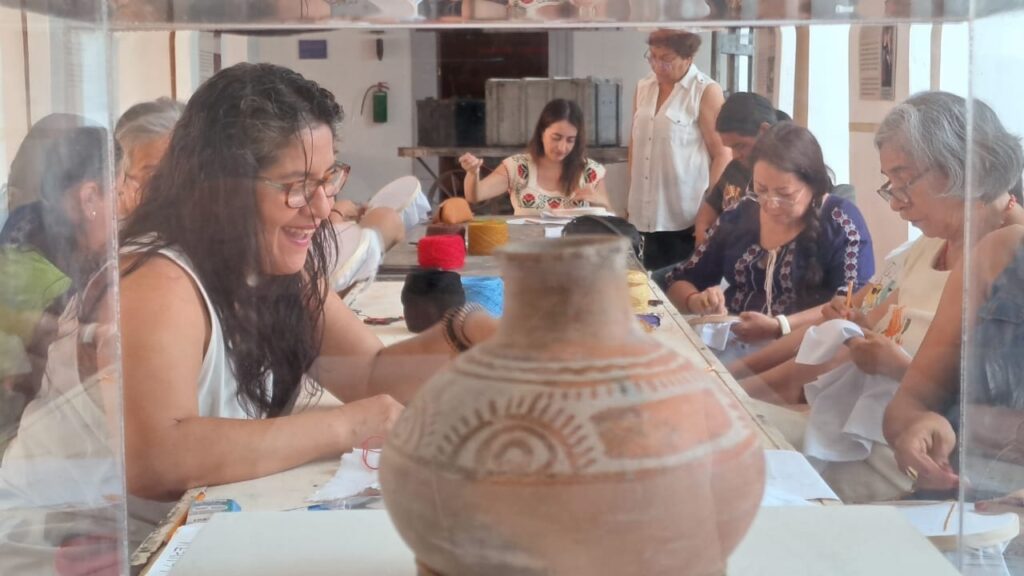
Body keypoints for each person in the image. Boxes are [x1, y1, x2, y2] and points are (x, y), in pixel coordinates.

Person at [118, 63, 496, 504]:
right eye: (296, 185)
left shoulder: (280, 267)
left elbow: (368, 373)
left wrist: (470, 330)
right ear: (221, 187)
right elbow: (155, 461)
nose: (320, 208)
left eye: (327, 180)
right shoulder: (159, 280)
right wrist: (348, 426)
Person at [732, 92, 1024, 406]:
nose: (896, 203)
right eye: (890, 186)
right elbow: (868, 311)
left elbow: (996, 408)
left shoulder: (1010, 261)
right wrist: (859, 323)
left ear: (962, 168)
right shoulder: (930, 244)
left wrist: (901, 370)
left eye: (905, 182)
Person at [0, 123, 121, 575]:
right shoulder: (51, 273)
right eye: (123, 187)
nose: (129, 204)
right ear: (88, 197)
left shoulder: (23, 235)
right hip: (23, 469)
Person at [665, 122, 874, 345]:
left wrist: (780, 326)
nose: (770, 205)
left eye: (785, 194)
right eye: (761, 190)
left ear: (814, 184)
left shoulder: (842, 221)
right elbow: (679, 282)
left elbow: (851, 303)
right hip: (734, 343)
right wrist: (697, 301)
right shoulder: (740, 213)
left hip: (804, 352)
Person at [627, 29, 731, 271]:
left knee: (674, 290)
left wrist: (709, 209)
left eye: (666, 59)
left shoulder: (705, 90)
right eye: (652, 56)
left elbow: (723, 154)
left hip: (683, 216)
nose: (657, 65)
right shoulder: (644, 86)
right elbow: (636, 144)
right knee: (642, 288)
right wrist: (630, 198)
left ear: (689, 58)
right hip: (641, 213)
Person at [459, 98, 609, 215]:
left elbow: (611, 217)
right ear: (542, 133)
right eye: (556, 138)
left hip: (574, 251)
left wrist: (598, 201)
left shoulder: (589, 171)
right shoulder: (518, 167)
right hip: (526, 249)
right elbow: (475, 196)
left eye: (570, 140)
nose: (562, 147)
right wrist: (473, 173)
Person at [693, 92, 791, 246]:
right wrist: (702, 229)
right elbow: (710, 207)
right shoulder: (735, 169)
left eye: (740, 146)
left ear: (764, 131)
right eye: (730, 148)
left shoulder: (789, 177)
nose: (735, 155)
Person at [113, 97, 184, 219]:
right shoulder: (107, 235)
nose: (174, 187)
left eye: (182, 171)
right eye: (155, 176)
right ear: (121, 185)